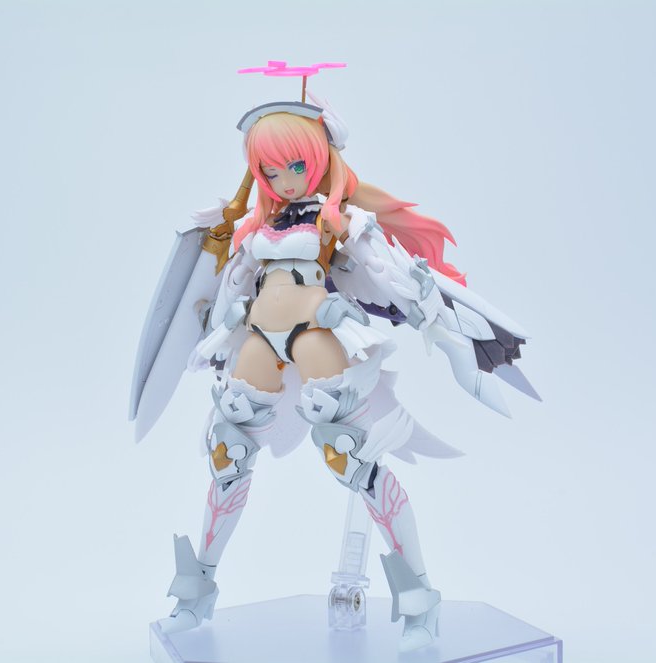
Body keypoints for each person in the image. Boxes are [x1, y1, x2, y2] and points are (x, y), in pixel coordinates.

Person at [134, 94, 536, 653]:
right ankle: (195, 593)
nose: (284, 179)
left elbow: (386, 273)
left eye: (295, 165)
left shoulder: (337, 218)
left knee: (351, 454)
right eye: (270, 169)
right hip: (257, 334)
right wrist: (216, 306)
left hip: (315, 330)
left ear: (321, 158)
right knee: (227, 454)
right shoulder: (256, 224)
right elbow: (231, 283)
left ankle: (419, 600)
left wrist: (432, 310)